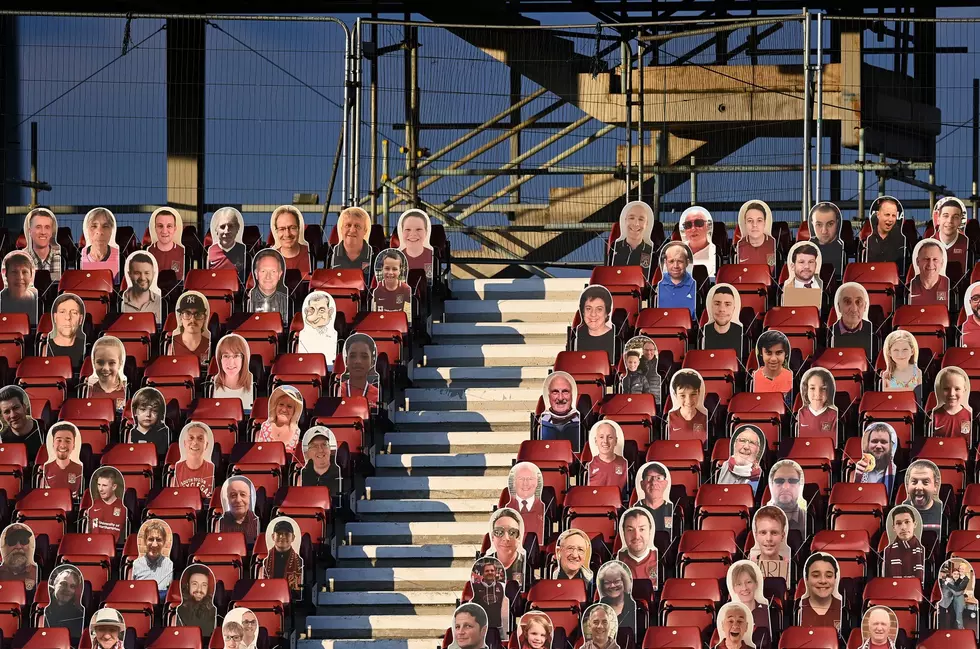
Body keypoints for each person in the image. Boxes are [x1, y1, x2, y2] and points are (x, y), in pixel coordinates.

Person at [538, 371, 581, 451]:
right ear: (548, 396)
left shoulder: (581, 423)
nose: (560, 398)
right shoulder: (541, 423)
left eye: (565, 392)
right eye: (555, 392)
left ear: (572, 395)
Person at [615, 508, 658, 588]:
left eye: (642, 529)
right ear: (623, 533)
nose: (636, 536)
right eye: (630, 530)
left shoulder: (660, 561)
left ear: (650, 531)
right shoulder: (616, 563)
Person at [798, 552, 842, 629]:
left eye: (829, 576)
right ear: (806, 579)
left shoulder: (843, 609)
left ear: (835, 579)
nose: (823, 581)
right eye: (816, 576)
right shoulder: (798, 609)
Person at [172, 422, 216, 499]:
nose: (195, 442)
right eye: (191, 438)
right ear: (185, 443)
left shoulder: (214, 470)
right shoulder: (176, 470)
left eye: (200, 438)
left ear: (206, 445)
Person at [331, 207, 374, 284]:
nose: (352, 230)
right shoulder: (330, 254)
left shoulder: (374, 255)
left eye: (357, 226)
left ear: (365, 231)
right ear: (341, 229)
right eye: (348, 225)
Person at [831, 282, 873, 360]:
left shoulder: (874, 331)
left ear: (865, 307)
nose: (854, 309)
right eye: (847, 302)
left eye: (858, 302)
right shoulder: (829, 332)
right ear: (839, 307)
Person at [853, 422, 898, 495]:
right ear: (868, 444)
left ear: (890, 446)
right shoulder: (857, 470)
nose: (878, 446)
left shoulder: (899, 474)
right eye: (874, 441)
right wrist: (857, 480)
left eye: (883, 442)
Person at [748, 506, 789, 585]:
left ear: (783, 536)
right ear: (756, 536)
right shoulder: (748, 567)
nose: (769, 538)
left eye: (774, 532)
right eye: (763, 532)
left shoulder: (791, 567)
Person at [882, 505, 924, 583]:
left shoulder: (924, 550)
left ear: (914, 524)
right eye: (898, 523)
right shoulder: (887, 551)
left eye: (907, 522)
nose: (903, 527)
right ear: (894, 527)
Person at [256, 385, 303, 454]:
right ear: (275, 407)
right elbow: (259, 454)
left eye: (289, 406)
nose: (284, 410)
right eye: (281, 404)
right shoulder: (265, 427)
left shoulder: (297, 431)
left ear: (294, 411)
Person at [0, 385, 42, 461]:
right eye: (7, 412)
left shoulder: (43, 432)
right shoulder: (3, 440)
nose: (13, 415)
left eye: (16, 408)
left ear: (24, 407)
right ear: (2, 416)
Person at [213, 334, 254, 411]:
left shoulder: (255, 383)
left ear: (243, 359)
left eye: (236, 356)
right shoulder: (211, 384)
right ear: (219, 359)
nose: (231, 363)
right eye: (226, 356)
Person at [666, 369, 708, 445]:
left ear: (699, 393)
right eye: (682, 395)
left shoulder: (706, 420)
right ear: (675, 395)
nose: (688, 401)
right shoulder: (669, 419)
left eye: (693, 394)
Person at [611, 201, 655, 274]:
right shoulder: (614, 247)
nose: (636, 224)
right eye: (631, 218)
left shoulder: (652, 251)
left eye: (641, 219)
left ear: (647, 224)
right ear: (625, 220)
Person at [45, 293, 86, 371]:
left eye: (74, 313)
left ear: (80, 319)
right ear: (55, 317)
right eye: (62, 312)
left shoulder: (88, 348)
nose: (68, 317)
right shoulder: (45, 347)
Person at [84, 335, 127, 409]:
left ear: (120, 363)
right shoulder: (88, 390)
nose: (105, 368)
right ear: (93, 362)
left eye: (112, 363)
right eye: (100, 362)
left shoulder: (127, 391)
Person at [175, 564, 217, 638]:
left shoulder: (215, 613)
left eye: (204, 585)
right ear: (188, 586)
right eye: (195, 584)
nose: (199, 590)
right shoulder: (178, 612)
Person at [86, 467, 127, 543]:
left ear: (114, 487)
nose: (100, 489)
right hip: (93, 548)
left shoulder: (124, 508)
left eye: (104, 485)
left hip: (115, 551)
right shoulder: (92, 506)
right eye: (99, 485)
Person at [41, 423, 83, 497]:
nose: (63, 445)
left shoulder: (80, 470)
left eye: (67, 441)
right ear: (53, 444)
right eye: (59, 440)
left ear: (73, 445)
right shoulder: (45, 469)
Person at [297, 291, 339, 367]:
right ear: (306, 312)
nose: (315, 315)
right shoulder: (303, 335)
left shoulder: (333, 334)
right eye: (311, 310)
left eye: (321, 310)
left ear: (330, 312)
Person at [44, 565, 84, 641]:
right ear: (54, 584)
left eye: (72, 586)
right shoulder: (41, 609)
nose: (67, 589)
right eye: (63, 584)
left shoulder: (78, 616)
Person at [718, 426, 765, 493]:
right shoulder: (723, 466)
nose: (746, 447)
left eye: (752, 443)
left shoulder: (760, 475)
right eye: (742, 441)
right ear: (734, 444)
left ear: (758, 450)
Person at [574, 285, 616, 360]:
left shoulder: (616, 338)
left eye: (599, 309)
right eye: (588, 308)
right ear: (583, 312)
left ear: (607, 313)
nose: (593, 314)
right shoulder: (576, 336)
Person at [469, 558, 508, 636]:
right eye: (487, 571)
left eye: (492, 570)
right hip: (481, 627)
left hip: (498, 627)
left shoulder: (502, 586)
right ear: (482, 573)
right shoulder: (474, 587)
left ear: (495, 572)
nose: (490, 572)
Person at [656, 242, 696, 318]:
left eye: (680, 261)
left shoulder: (695, 286)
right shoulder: (656, 287)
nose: (675, 266)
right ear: (665, 263)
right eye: (671, 261)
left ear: (687, 263)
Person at [248, 249, 289, 324]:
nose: (268, 277)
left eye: (273, 271)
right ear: (256, 274)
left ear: (280, 275)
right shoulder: (247, 300)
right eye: (263, 271)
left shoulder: (287, 301)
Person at [932, 366, 972, 443]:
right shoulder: (934, 416)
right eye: (946, 389)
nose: (952, 394)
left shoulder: (969, 416)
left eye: (957, 389)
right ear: (940, 390)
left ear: (964, 390)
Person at [169, 291, 211, 364]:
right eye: (187, 314)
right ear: (180, 317)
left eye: (197, 314)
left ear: (204, 318)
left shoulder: (210, 345)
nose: (192, 320)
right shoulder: (171, 344)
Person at [340, 333, 380, 410]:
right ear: (346, 360)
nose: (358, 361)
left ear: (372, 362)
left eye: (364, 357)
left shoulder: (377, 395)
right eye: (352, 356)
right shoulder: (338, 391)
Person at [865, 197, 906, 271]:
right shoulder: (868, 240)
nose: (890, 219)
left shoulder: (900, 240)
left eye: (893, 216)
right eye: (887, 215)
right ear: (878, 215)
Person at [262, 517, 304, 590]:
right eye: (279, 533)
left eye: (287, 534)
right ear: (273, 536)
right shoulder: (264, 560)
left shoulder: (299, 561)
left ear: (293, 537)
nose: (282, 537)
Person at [796, 368, 838, 440]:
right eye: (812, 388)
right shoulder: (800, 415)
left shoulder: (835, 415)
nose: (817, 394)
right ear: (806, 390)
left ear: (829, 391)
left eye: (823, 388)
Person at [727, 560, 769, 632]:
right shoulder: (727, 616)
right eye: (739, 584)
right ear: (734, 589)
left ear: (756, 584)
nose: (744, 588)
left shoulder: (767, 610)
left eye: (749, 582)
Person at [132, 520, 173, 593]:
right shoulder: (136, 564)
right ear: (145, 541)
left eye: (159, 540)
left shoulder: (169, 564)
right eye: (151, 539)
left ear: (164, 542)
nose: (154, 544)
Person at [507, 462, 545, 542]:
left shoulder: (545, 508)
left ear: (537, 482)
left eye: (530, 479)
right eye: (521, 479)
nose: (525, 483)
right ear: (513, 483)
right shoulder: (507, 509)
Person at [703, 284, 743, 360]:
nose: (722, 309)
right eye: (717, 304)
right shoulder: (702, 333)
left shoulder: (742, 333)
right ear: (711, 306)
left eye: (727, 304)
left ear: (734, 308)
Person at [487, 508, 526, 586]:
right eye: (499, 532)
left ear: (519, 538)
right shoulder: (483, 564)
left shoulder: (527, 564)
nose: (506, 538)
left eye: (512, 532)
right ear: (492, 537)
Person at [121, 251, 162, 323]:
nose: (142, 278)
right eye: (137, 273)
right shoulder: (120, 301)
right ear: (129, 274)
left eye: (147, 273)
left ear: (153, 274)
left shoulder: (161, 302)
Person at [80, 208, 120, 281]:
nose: (100, 231)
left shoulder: (120, 257)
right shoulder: (79, 257)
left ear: (112, 230)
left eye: (105, 226)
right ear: (87, 230)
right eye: (94, 226)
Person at [766, 460, 806, 534]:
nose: (785, 487)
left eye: (793, 481)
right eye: (779, 481)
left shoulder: (809, 519)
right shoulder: (759, 520)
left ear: (799, 486)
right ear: (771, 485)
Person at [208, 207, 247, 280]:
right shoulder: (209, 252)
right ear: (216, 229)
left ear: (237, 228)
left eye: (231, 226)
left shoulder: (244, 252)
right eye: (222, 227)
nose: (226, 231)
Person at [271, 205, 311, 276]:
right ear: (276, 232)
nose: (287, 234)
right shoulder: (269, 259)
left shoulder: (312, 256)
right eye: (282, 229)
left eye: (292, 228)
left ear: (299, 229)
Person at [597, 561, 636, 634]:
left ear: (624, 582)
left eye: (617, 581)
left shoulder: (636, 607)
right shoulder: (596, 609)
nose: (612, 586)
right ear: (602, 586)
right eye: (607, 583)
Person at [129, 387, 170, 457]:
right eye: (143, 409)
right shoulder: (131, 432)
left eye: (154, 410)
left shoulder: (163, 433)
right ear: (135, 411)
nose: (148, 414)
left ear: (160, 413)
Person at [218, 476, 259, 545]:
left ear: (249, 498)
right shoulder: (221, 522)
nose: (238, 500)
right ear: (228, 498)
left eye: (243, 495)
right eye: (233, 495)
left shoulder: (257, 522)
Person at [880, 330, 922, 398]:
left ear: (912, 351)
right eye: (896, 350)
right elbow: (885, 397)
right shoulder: (886, 375)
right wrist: (912, 390)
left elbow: (920, 396)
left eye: (905, 350)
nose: (900, 354)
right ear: (889, 353)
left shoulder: (918, 372)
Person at [752, 330, 792, 401]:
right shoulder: (753, 378)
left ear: (786, 354)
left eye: (779, 353)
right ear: (761, 353)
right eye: (768, 353)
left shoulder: (791, 378)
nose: (773, 359)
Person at [587, 421, 628, 490]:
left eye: (610, 437)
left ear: (615, 441)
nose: (605, 441)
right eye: (601, 437)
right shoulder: (589, 466)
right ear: (596, 441)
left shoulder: (626, 464)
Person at [300, 427, 342, 494]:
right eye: (314, 446)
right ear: (308, 453)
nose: (320, 450)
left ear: (330, 450)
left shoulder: (341, 473)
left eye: (324, 445)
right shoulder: (302, 475)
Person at [931, 196, 970, 270]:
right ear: (938, 219)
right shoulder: (928, 244)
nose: (950, 221)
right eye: (945, 216)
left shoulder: (968, 244)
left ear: (960, 221)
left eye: (955, 217)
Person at [903, 459, 942, 530]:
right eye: (914, 482)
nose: (919, 487)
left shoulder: (943, 512)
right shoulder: (899, 512)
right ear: (908, 485)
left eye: (925, 482)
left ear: (935, 486)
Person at [0, 251, 37, 326]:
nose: (20, 277)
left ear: (31, 276)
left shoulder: (39, 300)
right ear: (6, 275)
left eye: (24, 272)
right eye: (14, 272)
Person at [24, 207, 62, 281]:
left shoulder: (61, 258)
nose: (43, 232)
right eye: (38, 227)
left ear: (51, 232)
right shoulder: (21, 259)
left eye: (47, 227)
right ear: (29, 231)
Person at [372, 248, 412, 318]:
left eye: (394, 269)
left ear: (400, 270)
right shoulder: (377, 289)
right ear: (382, 268)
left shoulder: (406, 289)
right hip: (381, 323)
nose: (390, 273)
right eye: (387, 268)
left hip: (398, 324)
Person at [808, 202, 844, 279]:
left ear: (837, 223)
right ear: (812, 224)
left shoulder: (844, 249)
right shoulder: (805, 251)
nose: (824, 231)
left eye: (830, 224)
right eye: (819, 225)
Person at [147, 207, 185, 280]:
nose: (164, 231)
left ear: (175, 228)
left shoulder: (184, 253)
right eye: (160, 226)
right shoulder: (148, 253)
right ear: (155, 228)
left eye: (169, 226)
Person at [398, 208, 435, 282]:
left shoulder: (432, 255)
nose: (413, 234)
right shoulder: (397, 257)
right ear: (401, 232)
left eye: (418, 229)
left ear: (426, 232)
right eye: (408, 229)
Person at [736, 200, 776, 268]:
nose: (754, 225)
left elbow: (773, 271)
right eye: (750, 221)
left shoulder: (773, 245)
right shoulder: (739, 246)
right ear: (745, 223)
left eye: (759, 220)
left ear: (765, 223)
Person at [636, 462, 673, 534]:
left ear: (665, 483)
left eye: (659, 478)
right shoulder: (634, 510)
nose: (653, 482)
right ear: (642, 484)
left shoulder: (673, 510)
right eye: (649, 478)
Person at [679, 206, 716, 278]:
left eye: (699, 223)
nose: (693, 229)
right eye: (688, 225)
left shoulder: (715, 252)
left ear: (708, 226)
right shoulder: (675, 253)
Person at [908, 240, 949, 306]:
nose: (930, 264)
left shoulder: (951, 288)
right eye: (926, 259)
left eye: (935, 259)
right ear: (917, 261)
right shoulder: (907, 289)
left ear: (942, 263)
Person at [939, 559, 974, 631]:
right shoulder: (951, 580)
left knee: (958, 615)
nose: (960, 570)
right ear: (952, 574)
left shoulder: (966, 579)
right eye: (960, 568)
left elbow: (958, 589)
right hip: (946, 601)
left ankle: (959, 629)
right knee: (947, 618)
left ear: (965, 570)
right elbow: (956, 591)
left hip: (957, 599)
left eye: (962, 569)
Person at [0, 523, 37, 589]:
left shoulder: (38, 573)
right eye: (12, 541)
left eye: (24, 541)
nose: (18, 546)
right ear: (4, 546)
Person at [638, 338, 662, 408]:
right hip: (640, 400)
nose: (649, 353)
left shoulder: (660, 364)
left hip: (657, 401)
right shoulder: (636, 363)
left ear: (655, 351)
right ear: (642, 351)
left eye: (651, 350)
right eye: (646, 350)